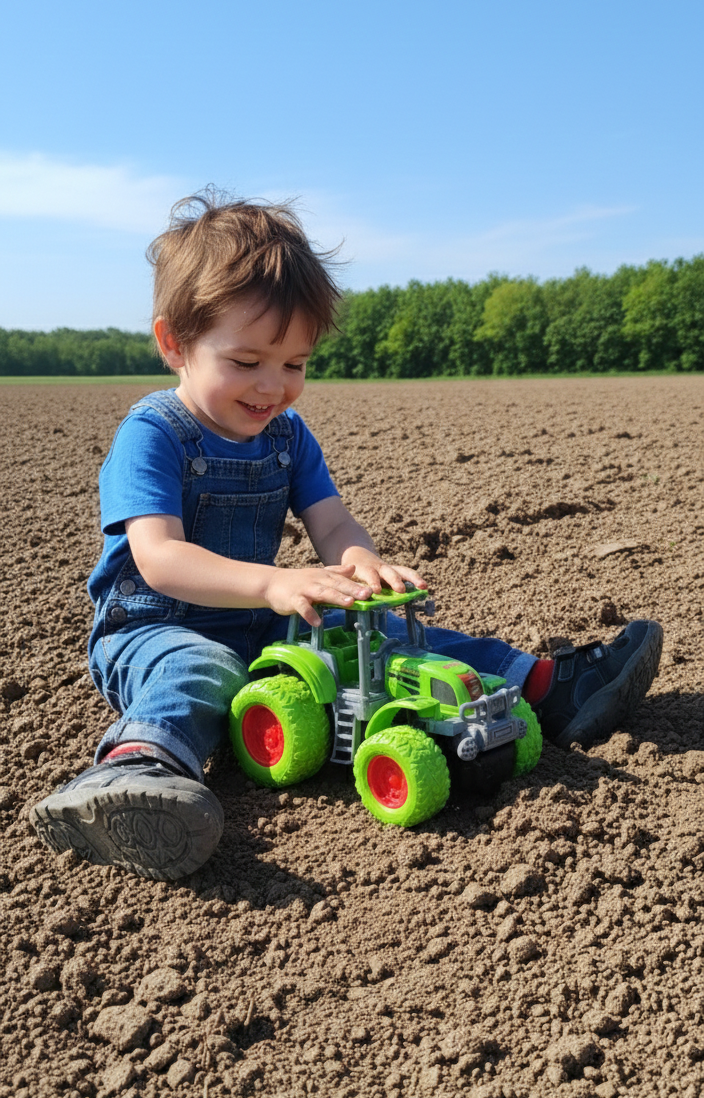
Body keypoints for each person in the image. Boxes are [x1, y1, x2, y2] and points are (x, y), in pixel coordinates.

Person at [29, 193, 663, 879]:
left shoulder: (285, 436)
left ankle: (541, 686)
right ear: (174, 344)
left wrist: (360, 563)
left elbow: (329, 519)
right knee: (199, 671)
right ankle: (135, 771)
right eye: (247, 362)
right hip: (155, 629)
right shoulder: (153, 435)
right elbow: (159, 558)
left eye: (295, 364)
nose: (273, 386)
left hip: (261, 623)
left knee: (387, 644)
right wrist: (272, 581)